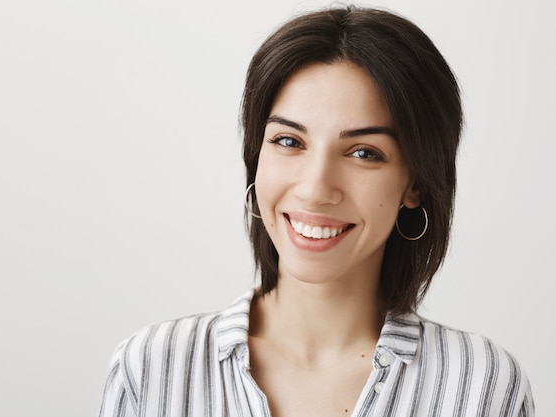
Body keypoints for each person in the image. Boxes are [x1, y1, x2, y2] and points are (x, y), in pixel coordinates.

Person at [98, 5, 534, 417]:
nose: (314, 189)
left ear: (416, 184)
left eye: (363, 152)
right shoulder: (153, 370)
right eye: (289, 142)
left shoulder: (480, 385)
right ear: (256, 158)